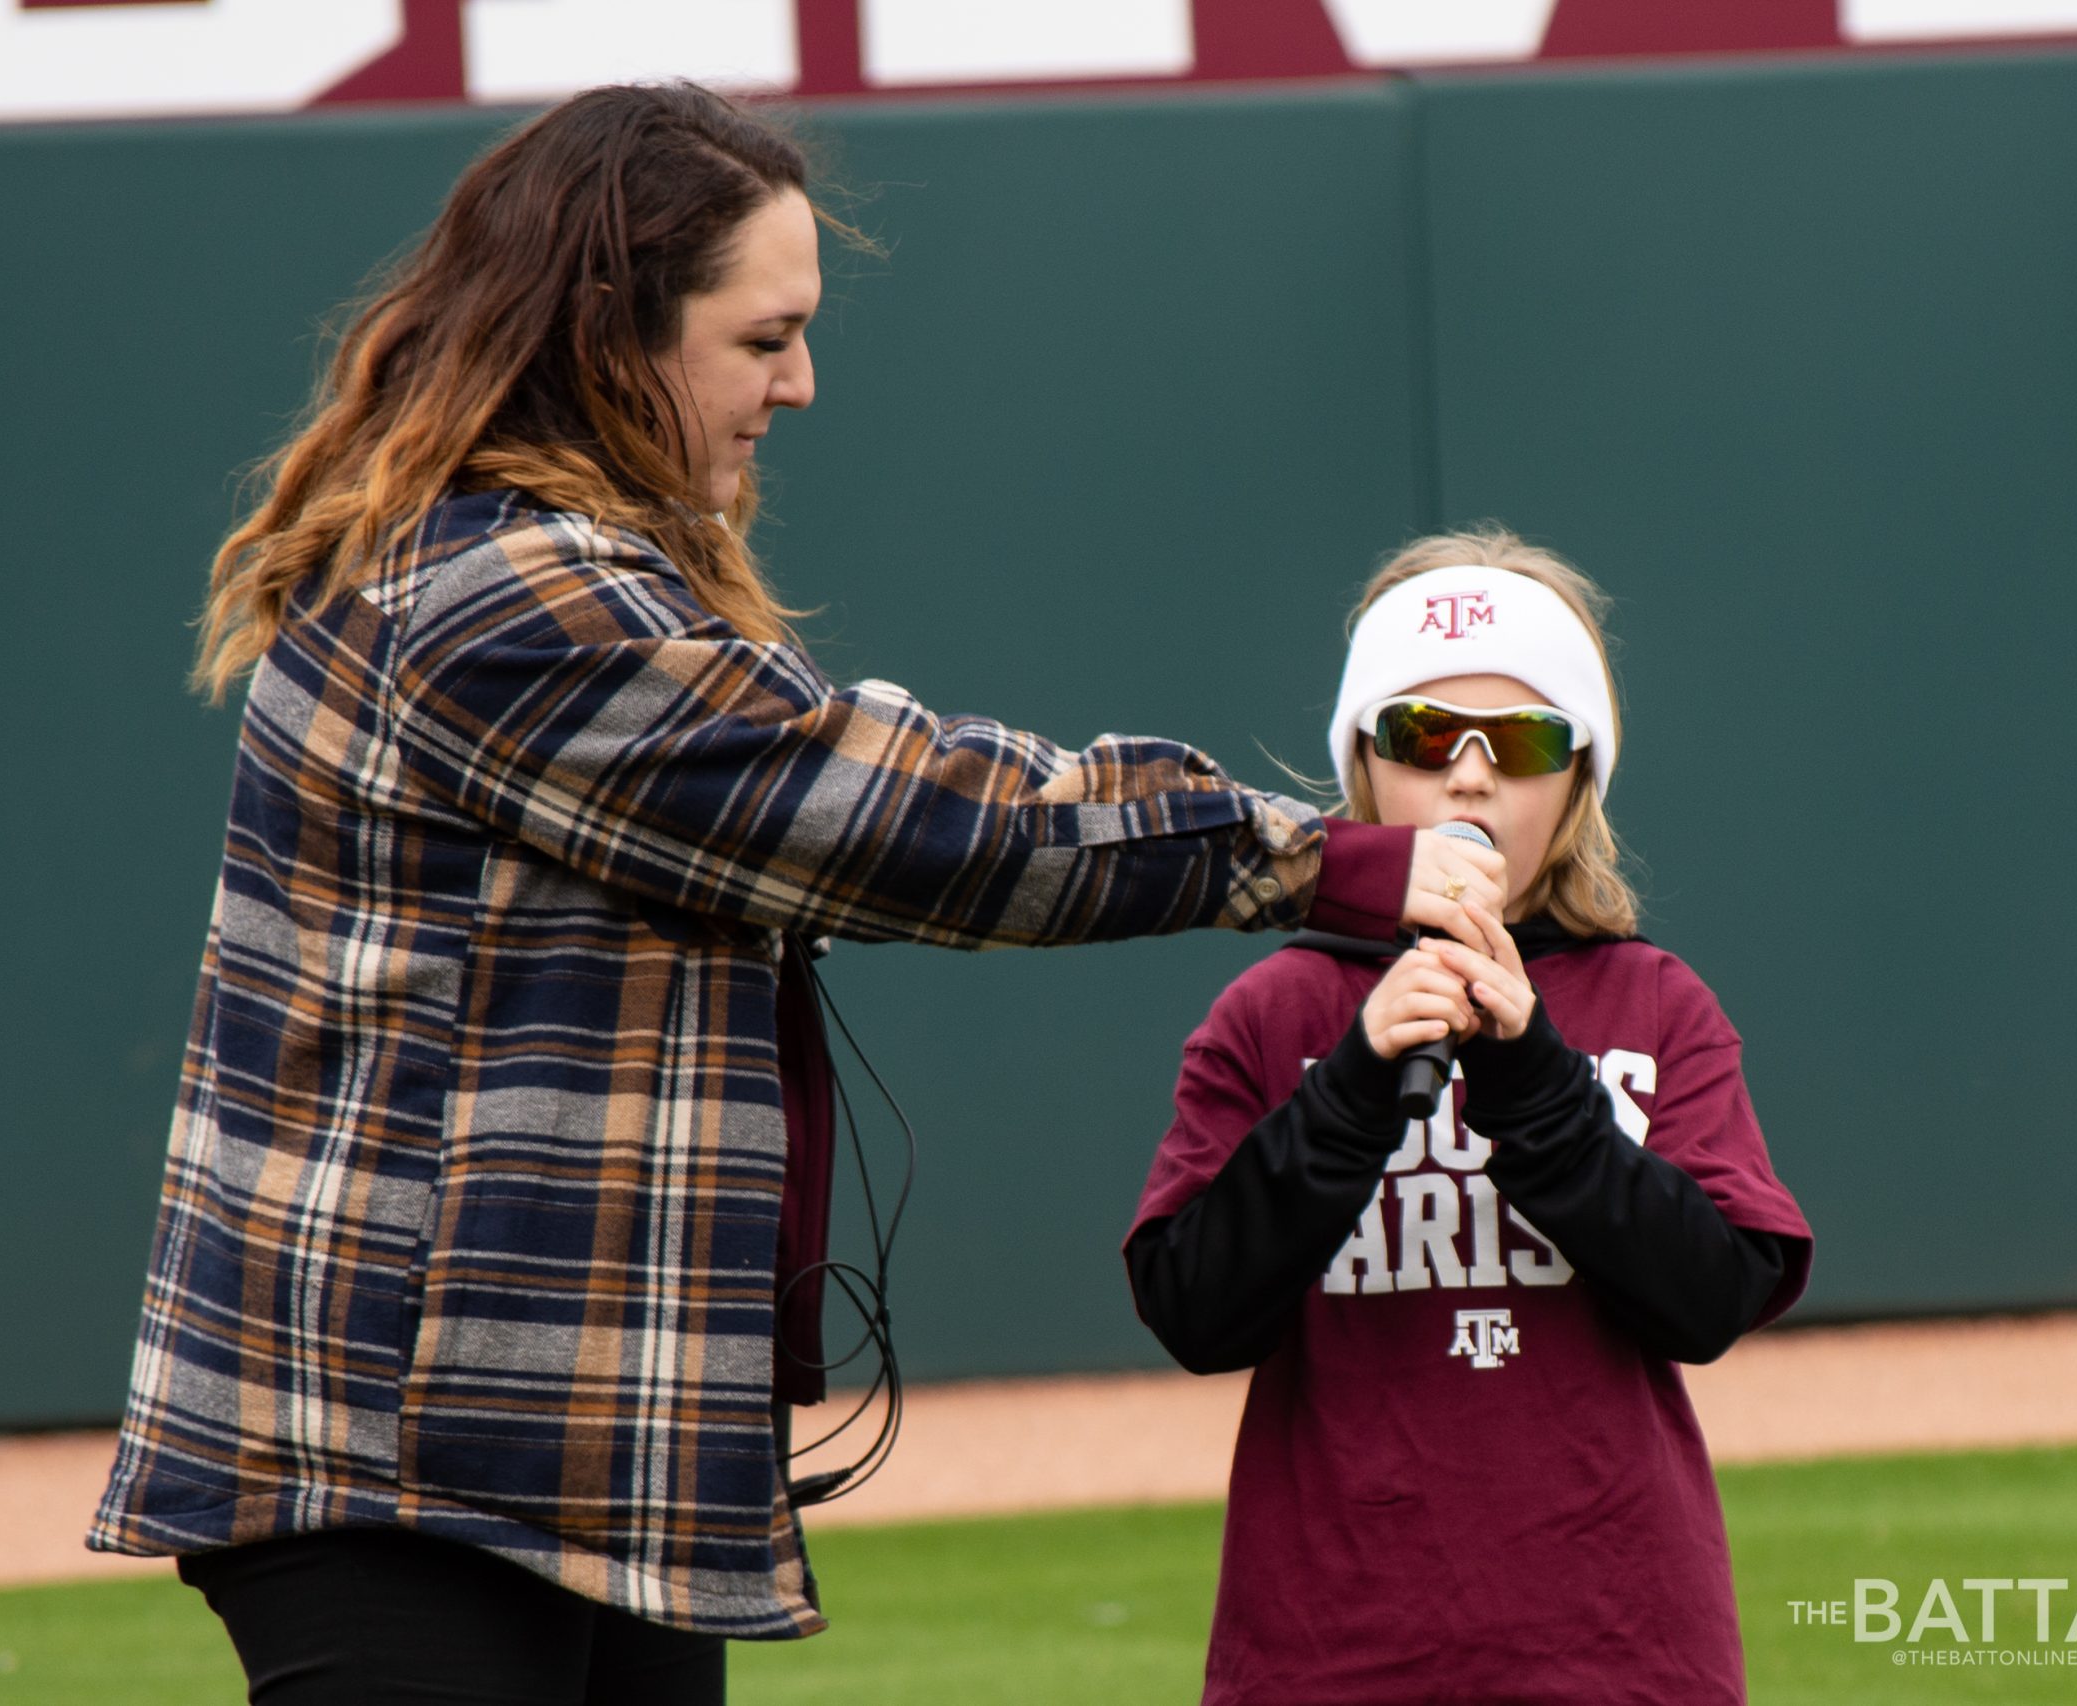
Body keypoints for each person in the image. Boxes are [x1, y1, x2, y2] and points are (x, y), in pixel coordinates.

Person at [85, 82, 1501, 1704]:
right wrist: (1335, 858)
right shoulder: (501, 596)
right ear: (612, 328)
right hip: (413, 1460)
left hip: (558, 1448)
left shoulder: (555, 563)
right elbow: (911, 817)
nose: (802, 383)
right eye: (764, 339)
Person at [1124, 528, 1815, 1706]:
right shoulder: (1273, 1007)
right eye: (1424, 733)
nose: (1471, 776)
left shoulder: (1655, 1000)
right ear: (1363, 767)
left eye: (1527, 739)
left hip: (1619, 1651)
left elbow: (1714, 1295)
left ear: (1579, 775)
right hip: (1329, 1651)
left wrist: (1538, 1079)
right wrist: (1345, 1089)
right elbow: (1194, 1308)